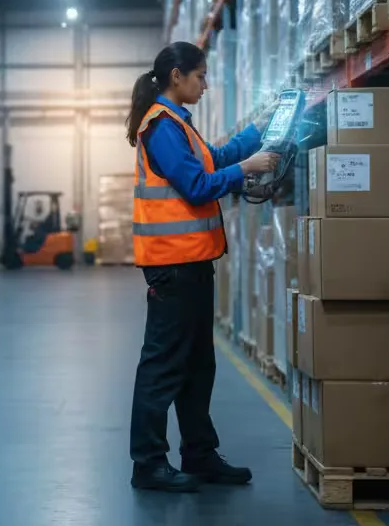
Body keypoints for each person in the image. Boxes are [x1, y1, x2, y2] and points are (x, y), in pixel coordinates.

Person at [125, 41, 279, 493]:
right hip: (172, 267)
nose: (207, 85)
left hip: (191, 263)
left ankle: (199, 453)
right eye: (201, 76)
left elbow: (213, 159)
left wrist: (258, 132)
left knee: (198, 364)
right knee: (163, 366)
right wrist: (246, 169)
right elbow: (196, 185)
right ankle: (148, 464)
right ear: (177, 76)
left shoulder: (179, 126)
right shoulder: (161, 128)